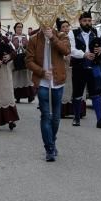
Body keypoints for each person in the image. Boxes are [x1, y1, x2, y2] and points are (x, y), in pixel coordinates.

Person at [25, 23, 71, 162]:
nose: (46, 24)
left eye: (49, 22)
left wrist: (52, 38)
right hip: (43, 83)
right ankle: (49, 149)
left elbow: (66, 51)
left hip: (57, 82)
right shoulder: (34, 39)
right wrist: (42, 72)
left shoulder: (61, 35)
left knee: (56, 117)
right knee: (46, 115)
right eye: (43, 22)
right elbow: (28, 61)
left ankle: (52, 139)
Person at [69, 11, 101, 129]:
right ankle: (76, 117)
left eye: (89, 21)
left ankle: (100, 119)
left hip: (94, 66)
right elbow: (71, 50)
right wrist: (84, 54)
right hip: (79, 66)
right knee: (77, 93)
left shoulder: (97, 32)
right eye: (85, 21)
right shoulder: (73, 33)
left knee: (96, 93)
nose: (87, 23)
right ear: (80, 22)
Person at [10, 22, 34, 103]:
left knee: (27, 77)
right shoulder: (11, 37)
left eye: (21, 27)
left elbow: (31, 48)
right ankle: (18, 97)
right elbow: (10, 48)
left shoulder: (26, 36)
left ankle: (30, 96)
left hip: (25, 58)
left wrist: (25, 50)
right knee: (17, 78)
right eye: (18, 27)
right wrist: (15, 50)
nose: (19, 28)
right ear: (15, 28)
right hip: (16, 59)